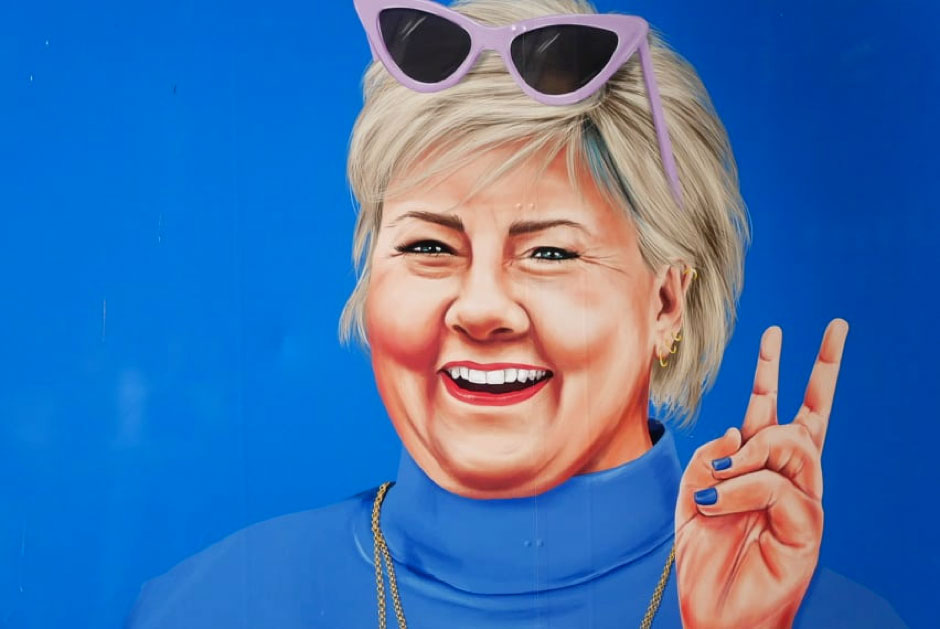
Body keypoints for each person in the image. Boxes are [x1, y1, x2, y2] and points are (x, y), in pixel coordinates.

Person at [127, 0, 906, 627]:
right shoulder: (205, 606)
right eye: (429, 246)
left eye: (550, 252)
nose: (481, 307)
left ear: (667, 301)